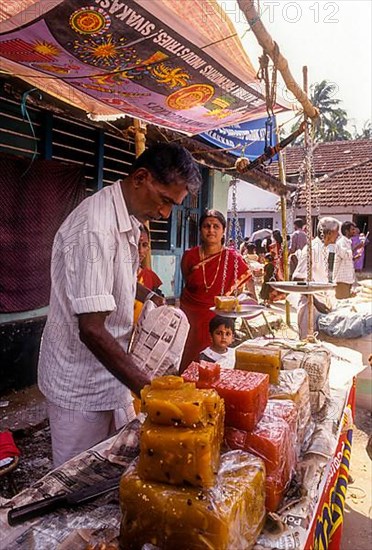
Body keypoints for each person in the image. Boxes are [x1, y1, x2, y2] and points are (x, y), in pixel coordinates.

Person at [38, 142, 202, 467]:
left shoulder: (127, 220)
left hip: (112, 380)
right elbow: (92, 329)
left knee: (113, 474)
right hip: (80, 387)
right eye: (166, 201)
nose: (166, 214)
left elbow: (118, 283)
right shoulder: (95, 228)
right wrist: (150, 390)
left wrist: (147, 297)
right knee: (76, 486)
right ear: (141, 178)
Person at [179, 209, 256, 372]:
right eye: (207, 226)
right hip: (189, 314)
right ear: (200, 230)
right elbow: (188, 280)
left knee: (211, 364)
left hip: (214, 317)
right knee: (186, 356)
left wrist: (252, 301)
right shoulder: (190, 256)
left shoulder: (233, 258)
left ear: (223, 231)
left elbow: (246, 278)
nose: (211, 230)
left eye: (216, 226)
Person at [293, 216, 340, 339]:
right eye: (337, 232)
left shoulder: (323, 248)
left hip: (319, 305)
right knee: (307, 348)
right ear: (329, 233)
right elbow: (297, 279)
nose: (338, 235)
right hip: (310, 307)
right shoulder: (312, 249)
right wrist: (316, 302)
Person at [133, 225, 163, 324]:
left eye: (144, 245)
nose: (140, 251)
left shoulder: (150, 277)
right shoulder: (114, 275)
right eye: (136, 244)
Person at [333, 221, 360, 299]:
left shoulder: (348, 242)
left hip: (348, 279)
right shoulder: (341, 242)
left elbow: (346, 259)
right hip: (342, 280)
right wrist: (357, 247)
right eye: (352, 229)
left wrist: (354, 258)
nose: (354, 231)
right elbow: (345, 254)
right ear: (346, 231)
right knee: (342, 303)